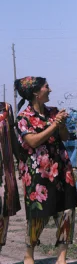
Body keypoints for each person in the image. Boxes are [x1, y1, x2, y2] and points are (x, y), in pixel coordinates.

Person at [14, 76, 77, 264]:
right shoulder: (23, 117)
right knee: (38, 215)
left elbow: (64, 137)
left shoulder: (53, 112)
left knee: (67, 212)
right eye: (46, 87)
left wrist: (61, 124)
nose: (49, 90)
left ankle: (61, 258)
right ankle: (29, 254)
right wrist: (54, 125)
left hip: (62, 168)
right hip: (38, 174)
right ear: (35, 92)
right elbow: (32, 141)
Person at [0, 102, 21, 254]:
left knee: (2, 212)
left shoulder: (5, 108)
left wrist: (21, 160)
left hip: (4, 171)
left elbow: (12, 137)